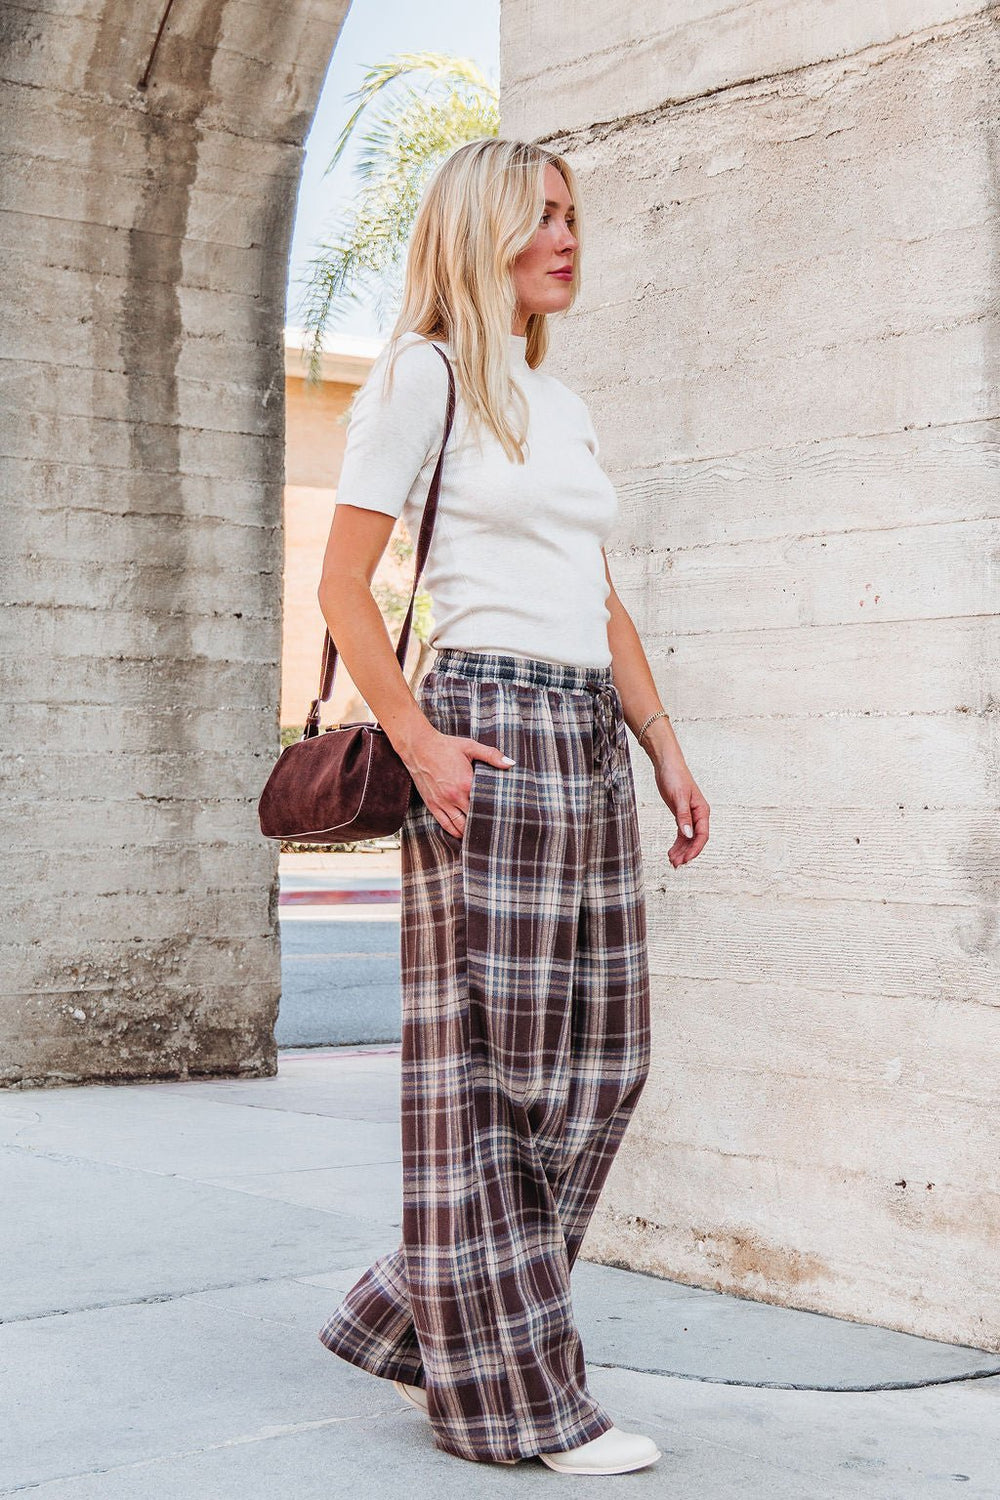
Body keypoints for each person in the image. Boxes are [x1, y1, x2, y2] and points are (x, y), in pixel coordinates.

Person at [314, 137, 709, 1476]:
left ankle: (418, 1301)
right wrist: (419, 741)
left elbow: (598, 595)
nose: (565, 236)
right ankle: (515, 1402)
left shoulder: (562, 401)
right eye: (539, 216)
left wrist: (663, 744)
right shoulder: (423, 379)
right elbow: (342, 588)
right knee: (490, 1078)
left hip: (587, 728)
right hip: (482, 730)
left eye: (573, 216)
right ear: (478, 231)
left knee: (605, 1061)